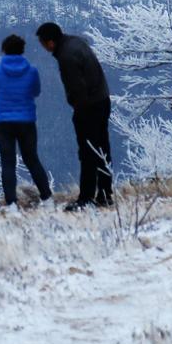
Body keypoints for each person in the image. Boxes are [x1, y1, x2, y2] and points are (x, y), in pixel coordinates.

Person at [35, 21, 112, 210]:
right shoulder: (75, 43)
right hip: (102, 100)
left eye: (42, 43)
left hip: (88, 107)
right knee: (101, 149)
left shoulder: (66, 56)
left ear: (50, 42)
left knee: (88, 152)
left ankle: (86, 199)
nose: (42, 47)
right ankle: (104, 194)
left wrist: (78, 110)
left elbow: (77, 89)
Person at [0, 33, 53, 209]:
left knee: (8, 163)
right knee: (32, 160)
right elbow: (36, 91)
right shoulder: (32, 71)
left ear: (4, 50)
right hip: (27, 122)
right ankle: (47, 200)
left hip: (3, 123)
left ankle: (12, 204)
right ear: (22, 50)